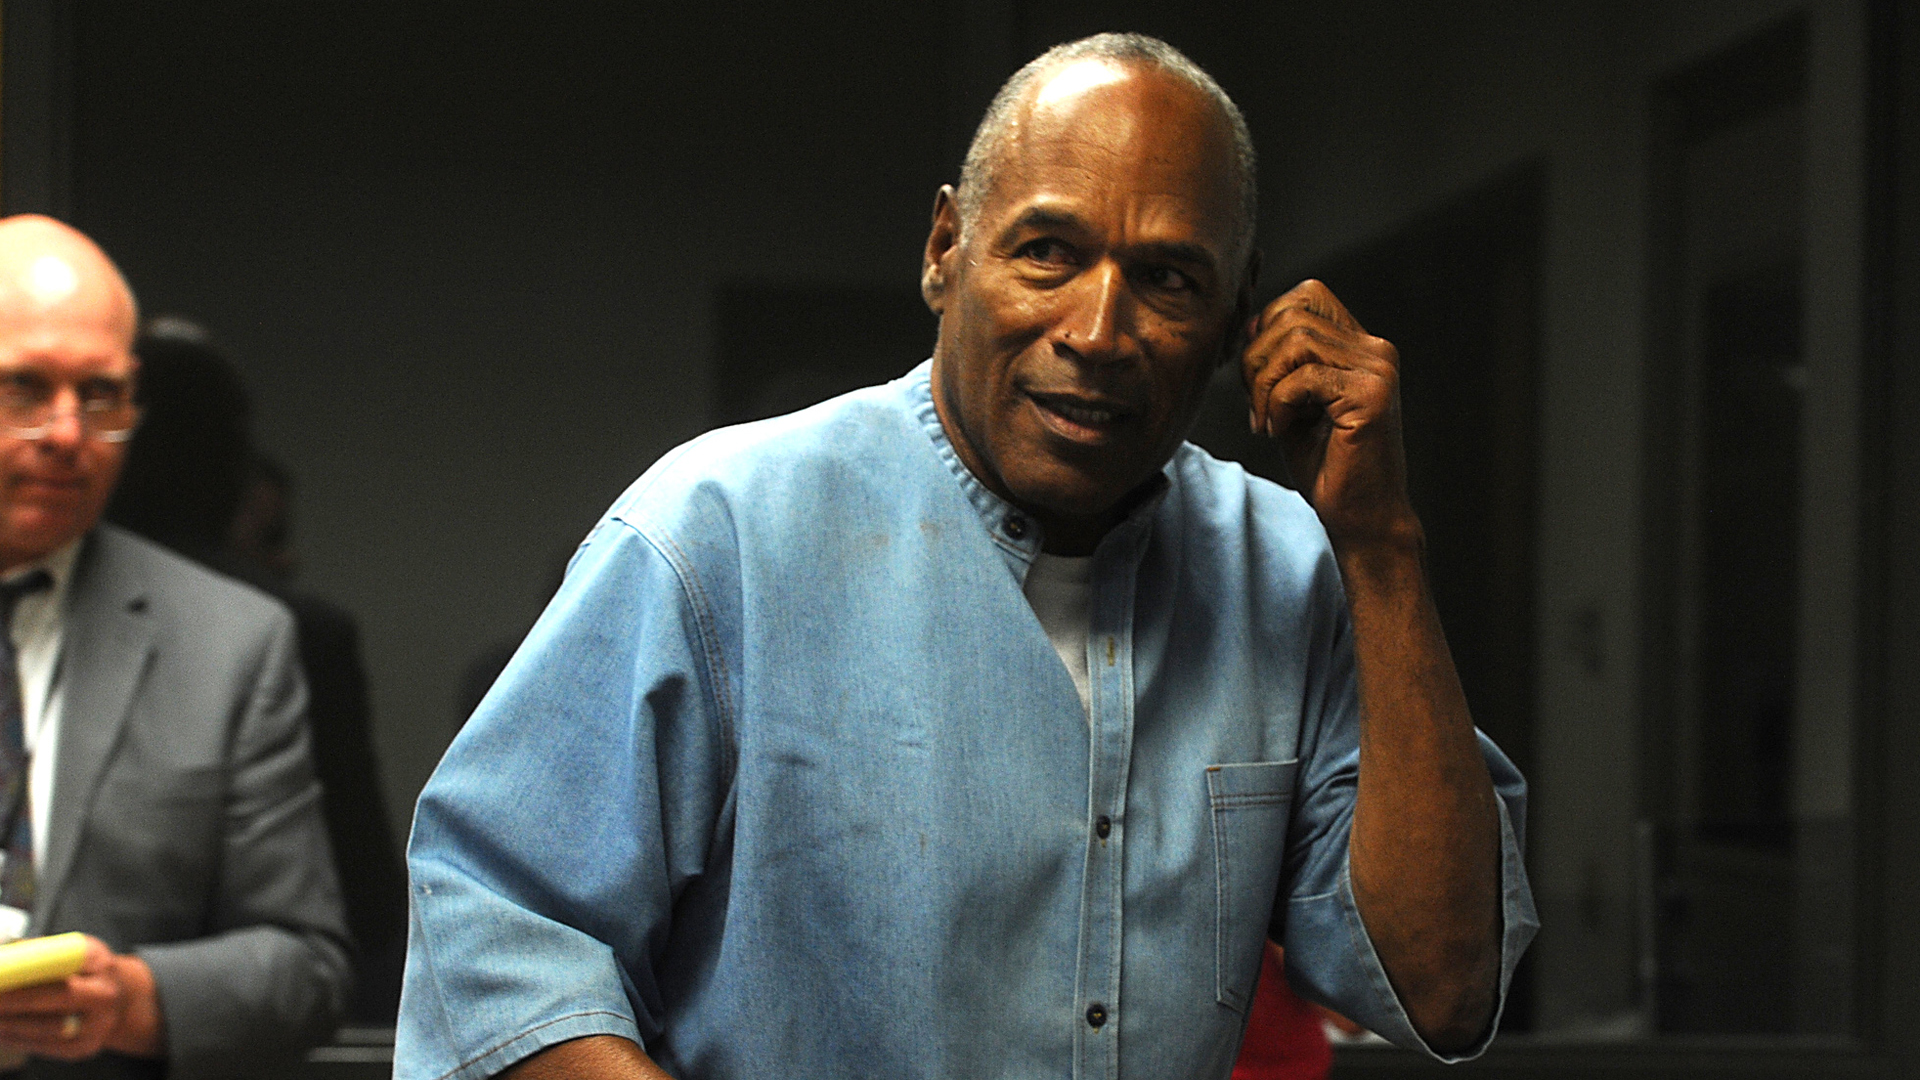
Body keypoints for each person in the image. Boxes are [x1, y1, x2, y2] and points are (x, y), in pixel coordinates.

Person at [397, 32, 1536, 1080]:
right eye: (1047, 252)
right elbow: (497, 930)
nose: (1098, 332)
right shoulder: (722, 531)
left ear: (1240, 315)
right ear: (947, 249)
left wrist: (1382, 544)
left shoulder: (1286, 570)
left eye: (1168, 278)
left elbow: (1439, 983)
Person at [0, 215, 350, 1077]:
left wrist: (133, 1000)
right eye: (23, 388)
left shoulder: (231, 644)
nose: (67, 434)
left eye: (100, 396)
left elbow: (307, 968)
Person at [104, 323, 408, 1023]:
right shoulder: (299, 630)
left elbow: (343, 923)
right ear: (229, 458)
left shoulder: (271, 632)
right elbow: (365, 898)